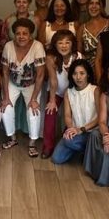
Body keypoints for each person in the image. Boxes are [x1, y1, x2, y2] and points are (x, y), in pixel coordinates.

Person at [1, 18, 46, 157]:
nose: (21, 36)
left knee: (33, 110)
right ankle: (12, 138)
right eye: (18, 33)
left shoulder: (37, 46)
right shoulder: (8, 46)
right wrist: (6, 97)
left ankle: (32, 143)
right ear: (14, 34)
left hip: (31, 84)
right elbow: (5, 72)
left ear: (30, 35)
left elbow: (40, 75)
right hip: (12, 82)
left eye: (25, 33)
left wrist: (34, 99)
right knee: (6, 108)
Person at [42, 30, 83, 158]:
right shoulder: (50, 58)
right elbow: (53, 80)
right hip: (56, 91)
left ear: (72, 44)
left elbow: (79, 80)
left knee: (72, 116)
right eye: (60, 43)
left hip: (73, 91)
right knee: (50, 113)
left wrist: (71, 97)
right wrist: (52, 100)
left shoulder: (78, 57)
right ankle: (47, 146)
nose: (64, 46)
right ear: (55, 45)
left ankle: (67, 141)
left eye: (67, 43)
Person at [51, 59, 98, 164]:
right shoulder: (68, 92)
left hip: (92, 132)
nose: (78, 77)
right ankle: (86, 151)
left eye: (82, 73)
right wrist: (71, 129)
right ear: (71, 76)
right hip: (76, 132)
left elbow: (100, 118)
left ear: (88, 75)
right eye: (75, 74)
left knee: (70, 142)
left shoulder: (95, 90)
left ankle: (87, 151)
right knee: (56, 159)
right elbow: (67, 116)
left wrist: (81, 129)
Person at [78, 0, 108, 68]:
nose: (94, 6)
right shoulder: (82, 28)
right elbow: (79, 54)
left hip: (108, 68)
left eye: (97, 3)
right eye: (91, 3)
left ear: (103, 6)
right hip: (88, 70)